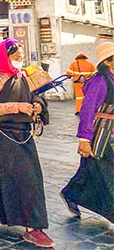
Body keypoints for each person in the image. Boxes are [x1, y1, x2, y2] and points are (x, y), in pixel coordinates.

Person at [0, 38, 53, 248]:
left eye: (21, 56)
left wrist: (37, 106)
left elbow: (38, 97)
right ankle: (33, 229)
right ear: (4, 56)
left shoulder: (22, 75)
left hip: (24, 134)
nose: (19, 58)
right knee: (18, 179)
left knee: (28, 178)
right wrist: (18, 106)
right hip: (3, 135)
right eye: (16, 56)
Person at [60, 42, 114, 223]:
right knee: (107, 172)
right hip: (101, 135)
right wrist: (84, 139)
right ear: (108, 62)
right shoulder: (99, 82)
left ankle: (70, 194)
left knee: (89, 170)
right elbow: (87, 110)